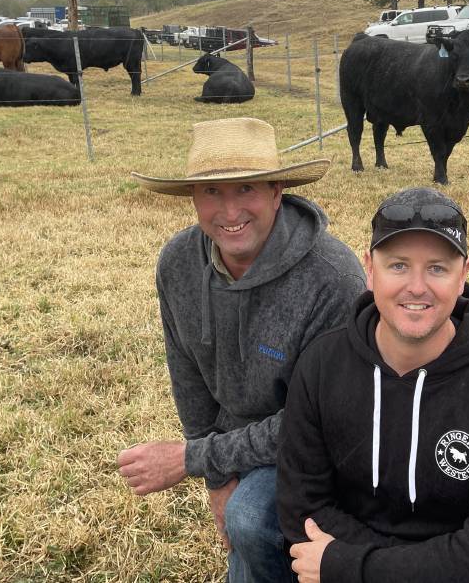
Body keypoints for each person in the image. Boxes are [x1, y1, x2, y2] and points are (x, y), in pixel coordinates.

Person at [117, 117, 366, 583]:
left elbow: (321, 422)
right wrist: (217, 477)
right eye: (212, 192)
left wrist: (195, 458)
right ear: (192, 198)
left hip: (323, 450)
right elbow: (187, 371)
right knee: (244, 515)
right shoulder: (177, 263)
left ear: (277, 191)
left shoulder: (333, 279)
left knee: (250, 517)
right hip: (238, 442)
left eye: (246, 188)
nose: (229, 211)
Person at [277, 187, 469, 583]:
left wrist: (353, 566)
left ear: (464, 275)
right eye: (399, 265)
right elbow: (301, 507)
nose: (417, 287)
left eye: (437, 268)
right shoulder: (321, 365)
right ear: (369, 269)